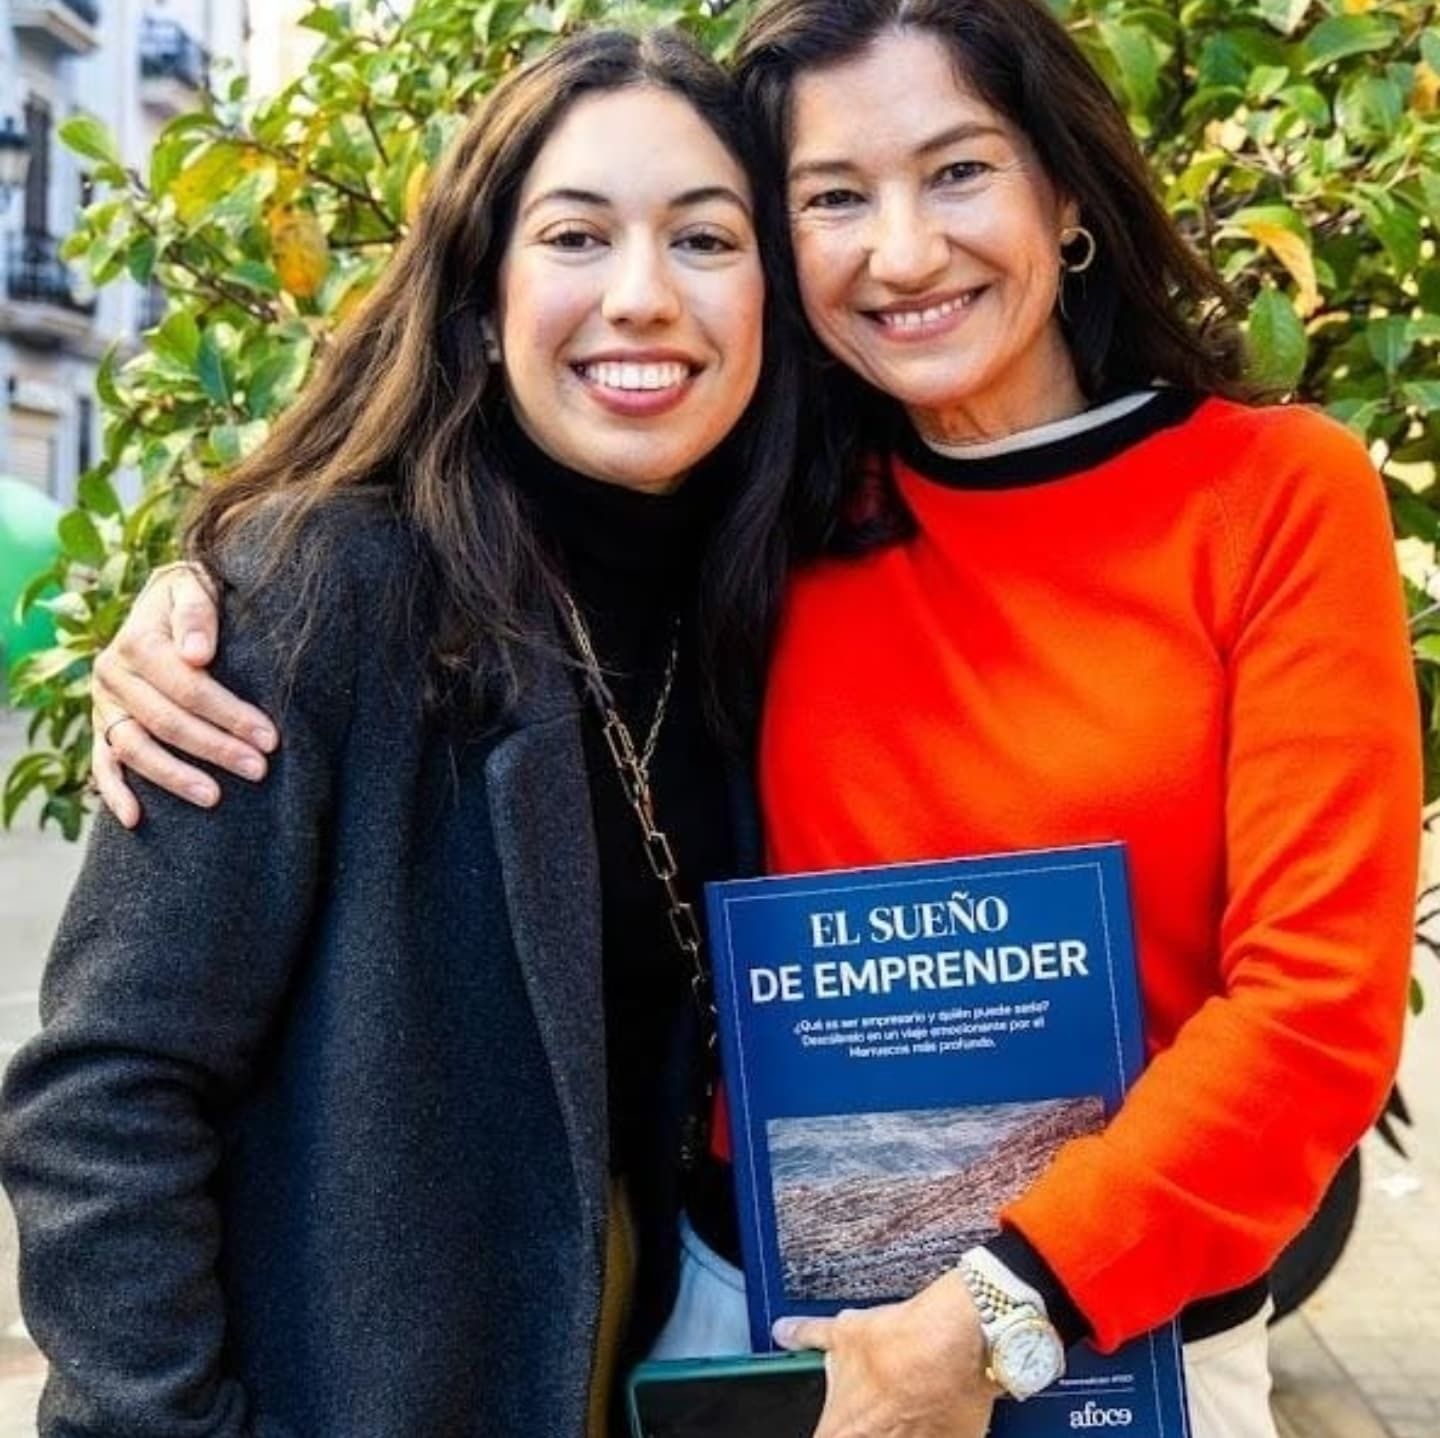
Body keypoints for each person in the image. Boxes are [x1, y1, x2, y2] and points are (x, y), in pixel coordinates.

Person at [69, 1, 1421, 1436]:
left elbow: (1314, 1014)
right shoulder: (772, 509)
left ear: (1068, 191)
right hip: (753, 1319)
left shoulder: (1274, 494)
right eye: (834, 198)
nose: (901, 251)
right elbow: (496, 475)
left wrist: (992, 1314)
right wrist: (206, 595)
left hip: (1108, 1332)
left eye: (960, 171)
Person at [0, 26, 803, 1438]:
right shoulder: (326, 594)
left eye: (705, 239)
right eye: (575, 234)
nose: (642, 296)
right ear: (484, 297)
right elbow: (102, 1098)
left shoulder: (758, 594)